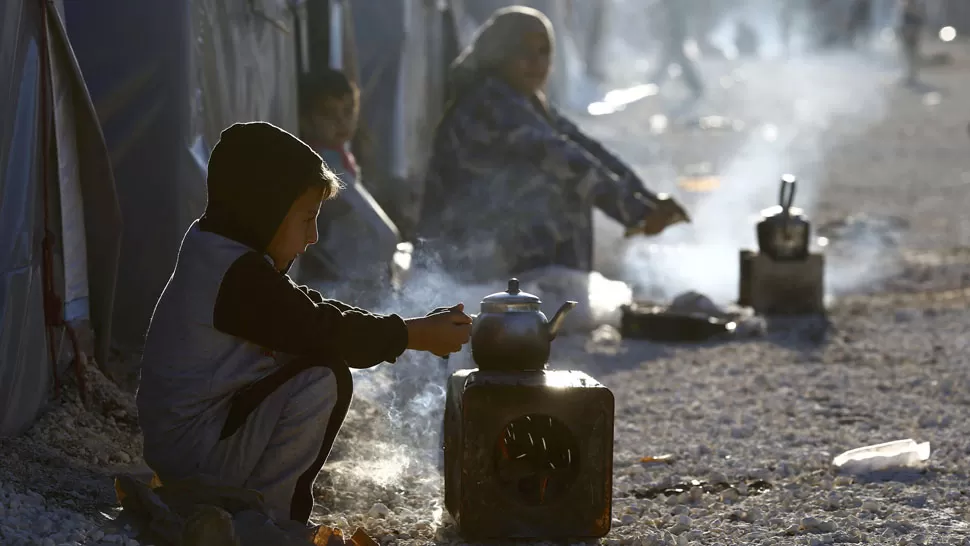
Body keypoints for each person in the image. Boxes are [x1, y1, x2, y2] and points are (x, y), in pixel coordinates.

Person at [136, 121, 472, 525]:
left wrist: (410, 327)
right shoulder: (234, 275)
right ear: (264, 208)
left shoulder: (221, 250)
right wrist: (411, 335)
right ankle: (268, 521)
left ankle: (244, 506)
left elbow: (307, 310)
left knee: (310, 354)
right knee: (322, 376)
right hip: (195, 450)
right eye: (307, 218)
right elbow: (323, 330)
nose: (313, 236)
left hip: (192, 440)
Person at [417, 6, 688, 283]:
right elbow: (561, 157)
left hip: (485, 240)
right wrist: (634, 211)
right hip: (456, 252)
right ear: (500, 53)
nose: (536, 63)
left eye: (544, 52)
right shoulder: (488, 101)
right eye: (524, 52)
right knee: (560, 189)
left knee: (568, 185)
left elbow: (586, 147)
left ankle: (560, 294)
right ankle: (549, 294)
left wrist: (647, 198)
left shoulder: (526, 100)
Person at [297, 69, 399, 290]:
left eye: (348, 110)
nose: (342, 121)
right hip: (337, 280)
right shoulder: (322, 164)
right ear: (305, 120)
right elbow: (384, 234)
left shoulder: (341, 155)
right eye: (328, 113)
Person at [647, 0, 704, 98]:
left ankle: (696, 86)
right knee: (672, 59)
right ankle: (654, 82)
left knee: (675, 59)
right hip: (674, 31)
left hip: (675, 31)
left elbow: (677, 11)